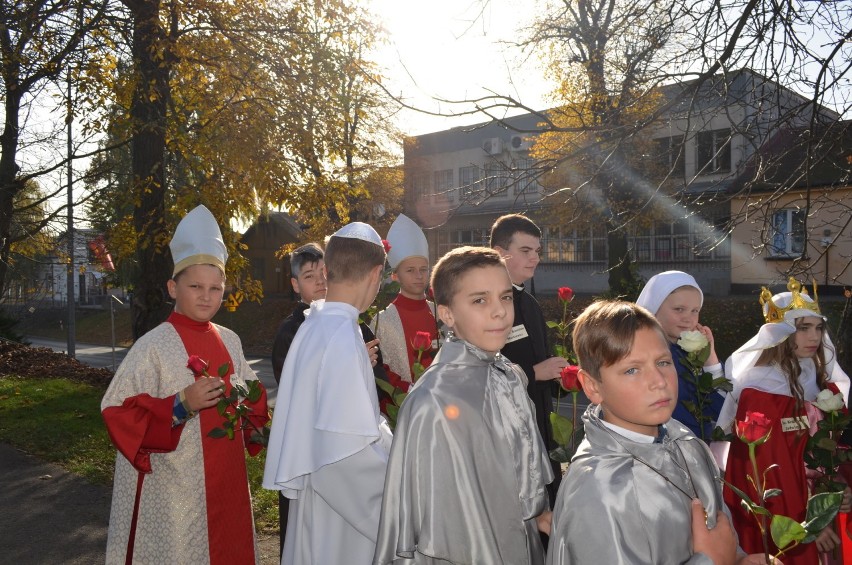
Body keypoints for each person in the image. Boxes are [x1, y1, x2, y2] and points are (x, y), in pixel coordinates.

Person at [101, 205, 269, 564]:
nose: (206, 296)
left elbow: (254, 402)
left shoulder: (231, 340)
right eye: (195, 286)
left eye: (215, 288)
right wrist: (181, 405)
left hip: (226, 481)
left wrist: (257, 410)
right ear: (173, 287)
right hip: (175, 490)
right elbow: (117, 412)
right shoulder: (153, 347)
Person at [547, 300, 772, 565]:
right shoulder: (598, 491)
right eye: (632, 370)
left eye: (663, 362)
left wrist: (740, 560)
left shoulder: (686, 442)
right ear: (593, 387)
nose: (659, 381)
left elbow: (721, 536)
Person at [374, 246, 554, 565]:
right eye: (479, 300)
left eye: (506, 297)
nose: (499, 311)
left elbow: (522, 463)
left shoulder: (510, 376)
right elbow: (434, 519)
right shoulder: (431, 400)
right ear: (447, 314)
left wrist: (539, 513)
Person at [263, 222, 393, 565]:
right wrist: (404, 489)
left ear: (326, 268)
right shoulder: (341, 335)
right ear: (376, 273)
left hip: (318, 502)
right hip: (342, 519)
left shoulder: (316, 325)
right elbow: (344, 457)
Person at [716, 278, 852, 564]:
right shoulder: (760, 392)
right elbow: (767, 473)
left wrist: (842, 489)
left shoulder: (825, 387)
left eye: (817, 328)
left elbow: (838, 450)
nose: (813, 337)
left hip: (826, 511)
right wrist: (809, 525)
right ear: (779, 332)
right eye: (803, 328)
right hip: (790, 519)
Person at [490, 213, 566, 501]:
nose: (535, 258)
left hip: (541, 429)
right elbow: (480, 372)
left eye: (537, 251)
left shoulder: (530, 303)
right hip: (509, 437)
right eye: (525, 251)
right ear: (500, 253)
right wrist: (535, 373)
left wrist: (562, 376)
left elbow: (542, 362)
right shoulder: (487, 305)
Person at [636, 270, 727, 441]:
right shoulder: (639, 356)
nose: (688, 318)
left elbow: (721, 411)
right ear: (653, 308)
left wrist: (710, 360)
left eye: (695, 310)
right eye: (679, 309)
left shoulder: (690, 355)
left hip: (695, 453)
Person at [372, 213, 438, 383]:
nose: (418, 275)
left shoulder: (441, 314)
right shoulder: (382, 320)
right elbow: (379, 369)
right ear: (395, 275)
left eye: (423, 269)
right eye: (410, 270)